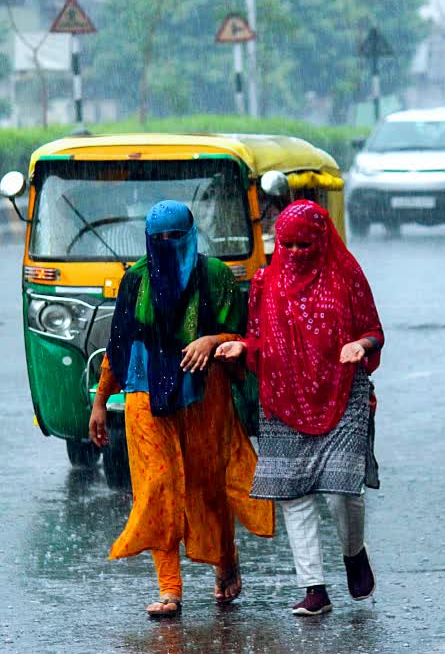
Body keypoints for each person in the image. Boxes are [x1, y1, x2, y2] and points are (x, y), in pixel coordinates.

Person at [89, 200, 274, 619]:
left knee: (207, 486)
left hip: (205, 396)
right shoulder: (136, 279)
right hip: (143, 392)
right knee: (157, 488)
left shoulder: (216, 277)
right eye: (159, 239)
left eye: (176, 237)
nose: (168, 245)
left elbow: (245, 337)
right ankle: (169, 589)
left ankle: (225, 559)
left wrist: (211, 342)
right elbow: (118, 348)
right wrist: (101, 402)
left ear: (191, 235)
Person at [215, 200, 384, 617]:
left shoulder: (347, 276)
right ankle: (313, 588)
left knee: (343, 490)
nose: (292, 254)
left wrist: (359, 345)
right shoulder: (265, 283)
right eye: (285, 245)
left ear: (321, 240)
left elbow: (374, 331)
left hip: (342, 390)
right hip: (283, 397)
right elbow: (256, 337)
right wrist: (243, 347)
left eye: (302, 245)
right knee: (293, 494)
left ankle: (353, 551)